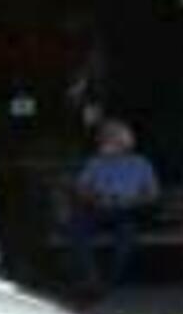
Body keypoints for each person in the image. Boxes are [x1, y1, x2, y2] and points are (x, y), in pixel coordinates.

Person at [67, 117, 160, 296]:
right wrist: (94, 197)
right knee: (77, 227)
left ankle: (113, 280)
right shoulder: (95, 163)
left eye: (110, 138)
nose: (104, 141)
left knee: (126, 233)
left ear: (124, 142)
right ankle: (92, 278)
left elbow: (153, 195)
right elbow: (80, 189)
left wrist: (132, 201)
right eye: (104, 138)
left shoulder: (140, 163)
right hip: (99, 209)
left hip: (129, 211)